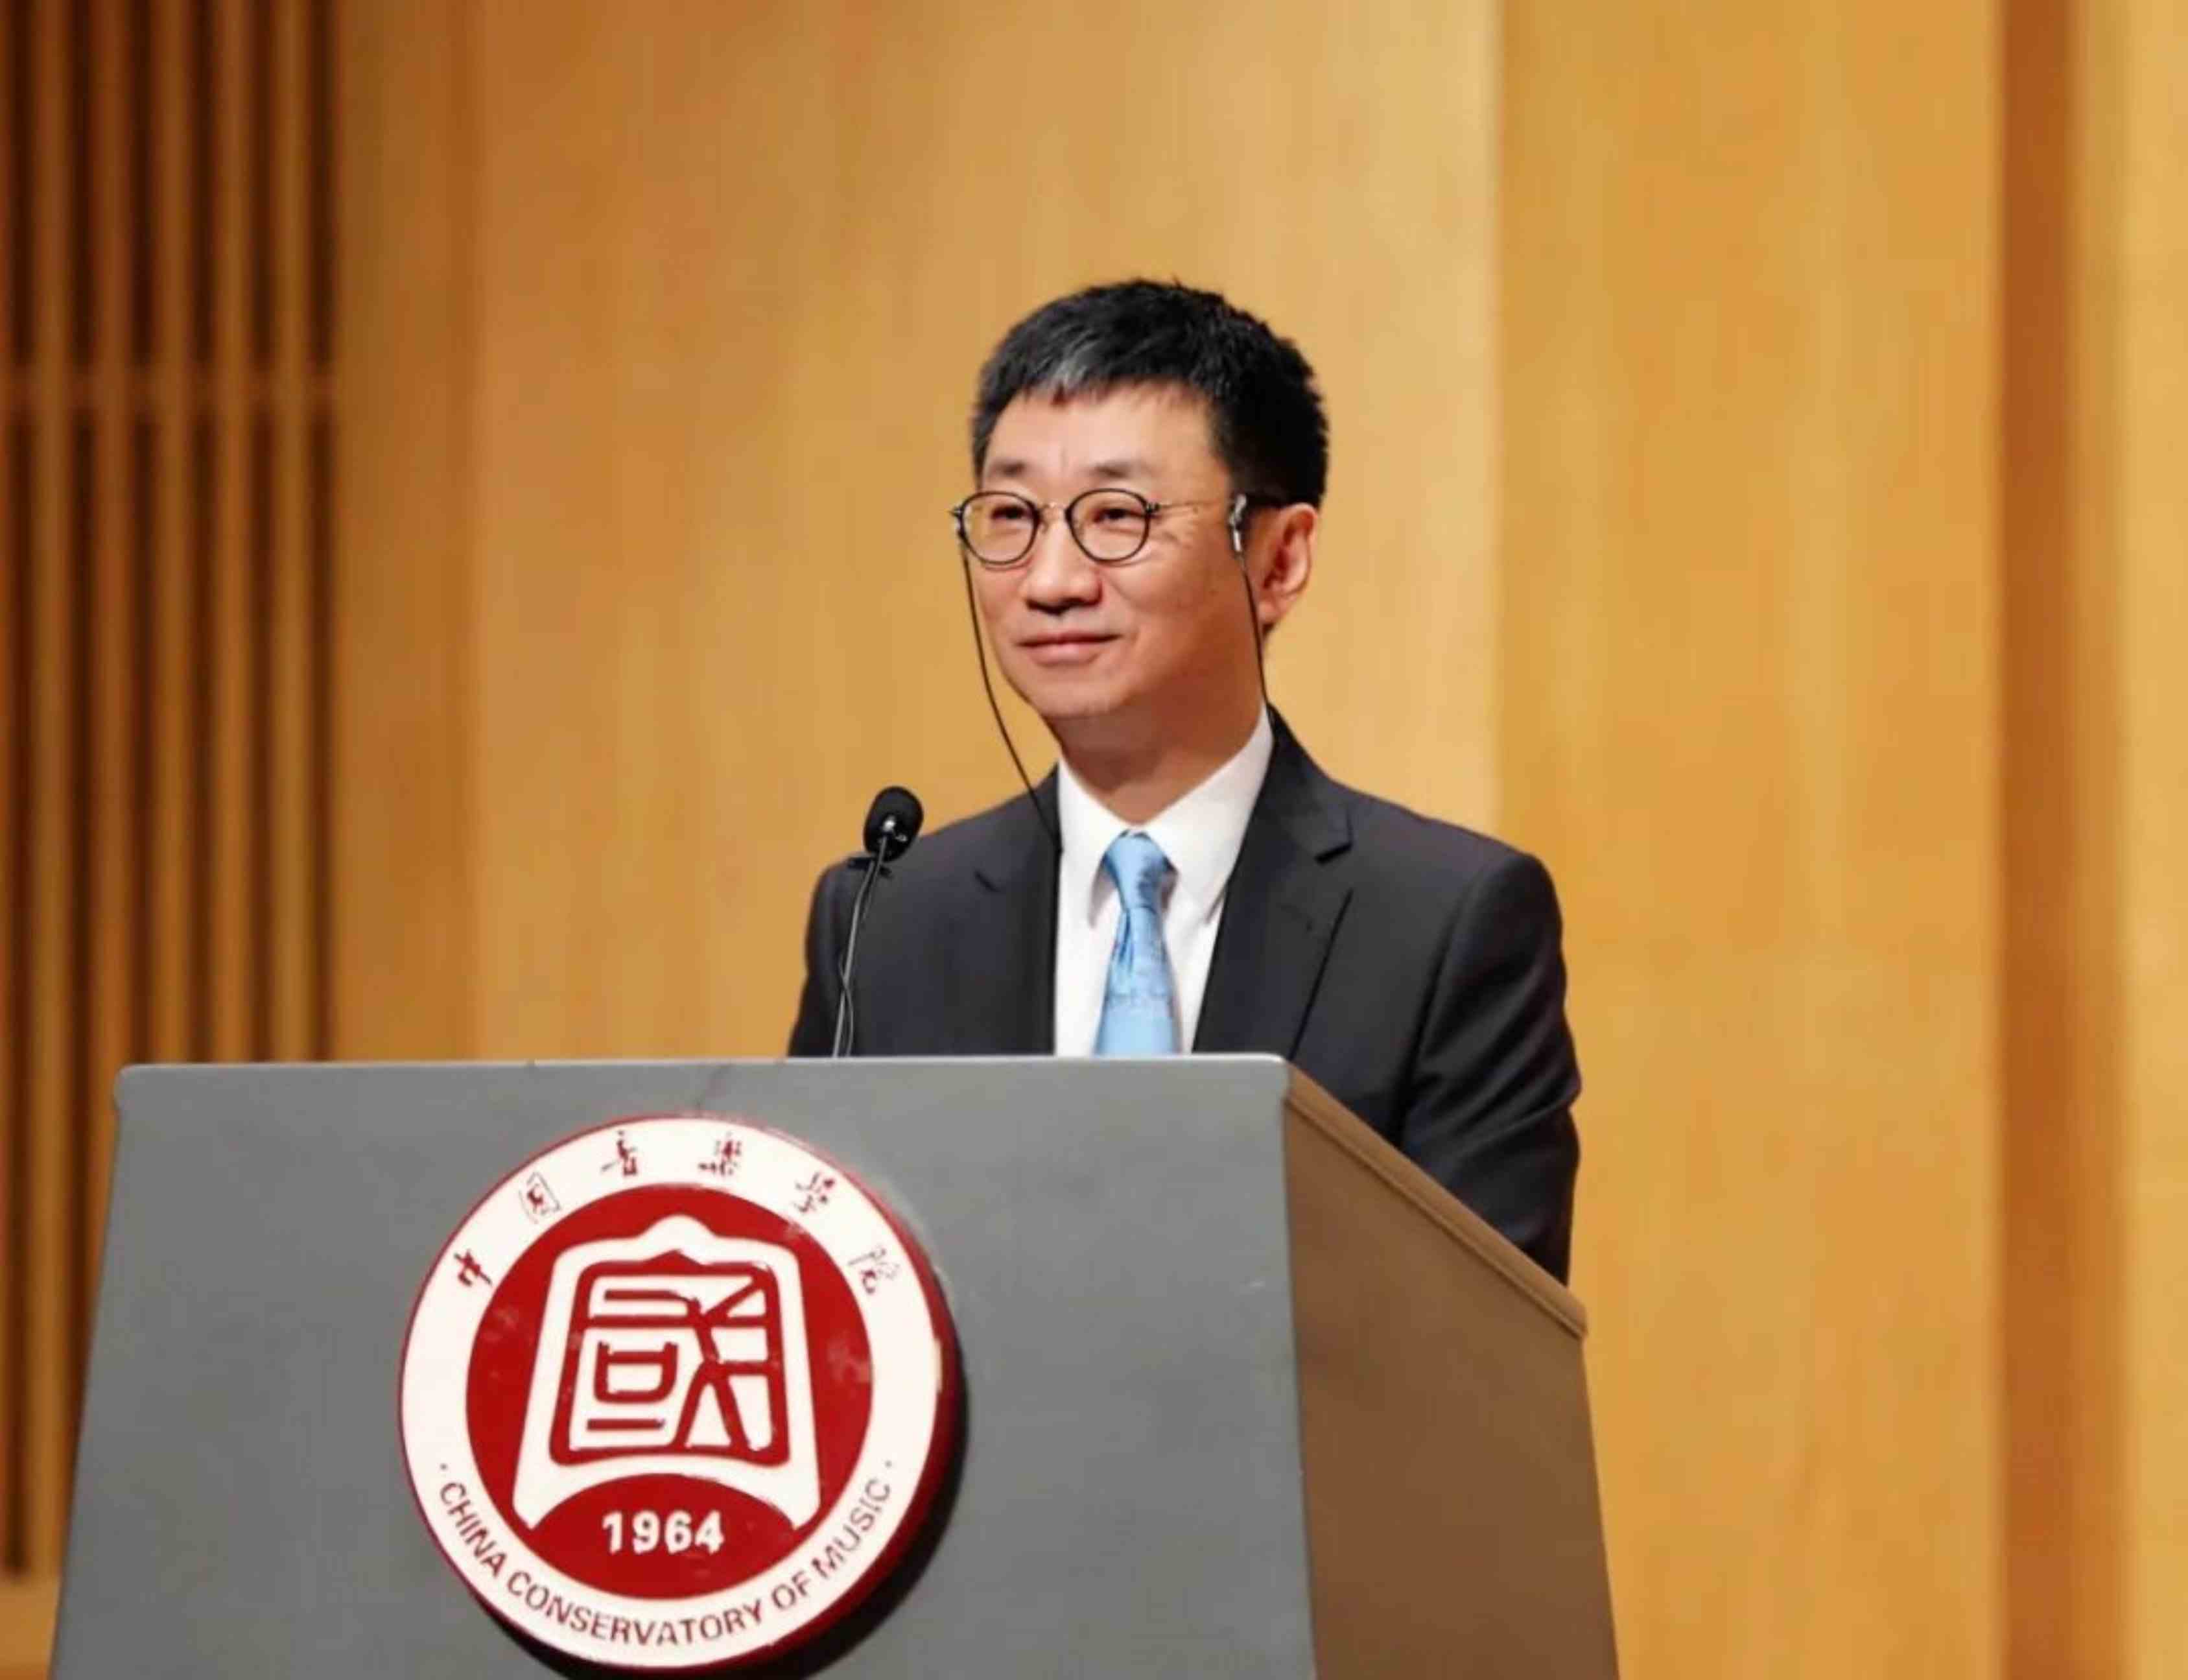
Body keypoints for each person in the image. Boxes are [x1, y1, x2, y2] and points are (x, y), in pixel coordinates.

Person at [788, 280, 1581, 1281]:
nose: (1051, 581)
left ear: (1278, 561)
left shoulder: (1445, 924)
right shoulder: (886, 919)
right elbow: (820, 1295)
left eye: (1117, 516)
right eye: (1012, 516)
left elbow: (1475, 1334)